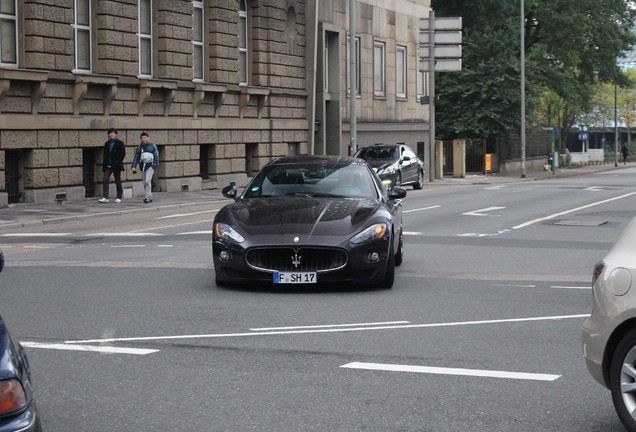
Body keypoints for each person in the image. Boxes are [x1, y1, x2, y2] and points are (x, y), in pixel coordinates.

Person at [98, 128, 126, 203]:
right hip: (108, 164)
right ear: (108, 134)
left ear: (115, 134)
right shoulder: (107, 143)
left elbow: (123, 154)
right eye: (110, 133)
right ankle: (105, 197)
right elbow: (105, 155)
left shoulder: (120, 143)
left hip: (116, 164)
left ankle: (119, 196)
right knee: (105, 179)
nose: (112, 134)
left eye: (113, 133)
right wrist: (104, 165)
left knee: (117, 180)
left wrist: (118, 161)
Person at [131, 131, 159, 203]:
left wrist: (155, 165)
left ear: (148, 138)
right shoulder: (139, 148)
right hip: (142, 166)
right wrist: (133, 166)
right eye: (142, 138)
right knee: (145, 182)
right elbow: (136, 157)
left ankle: (147, 197)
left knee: (147, 180)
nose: (143, 139)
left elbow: (156, 155)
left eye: (145, 138)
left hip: (150, 165)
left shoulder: (152, 146)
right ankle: (149, 196)